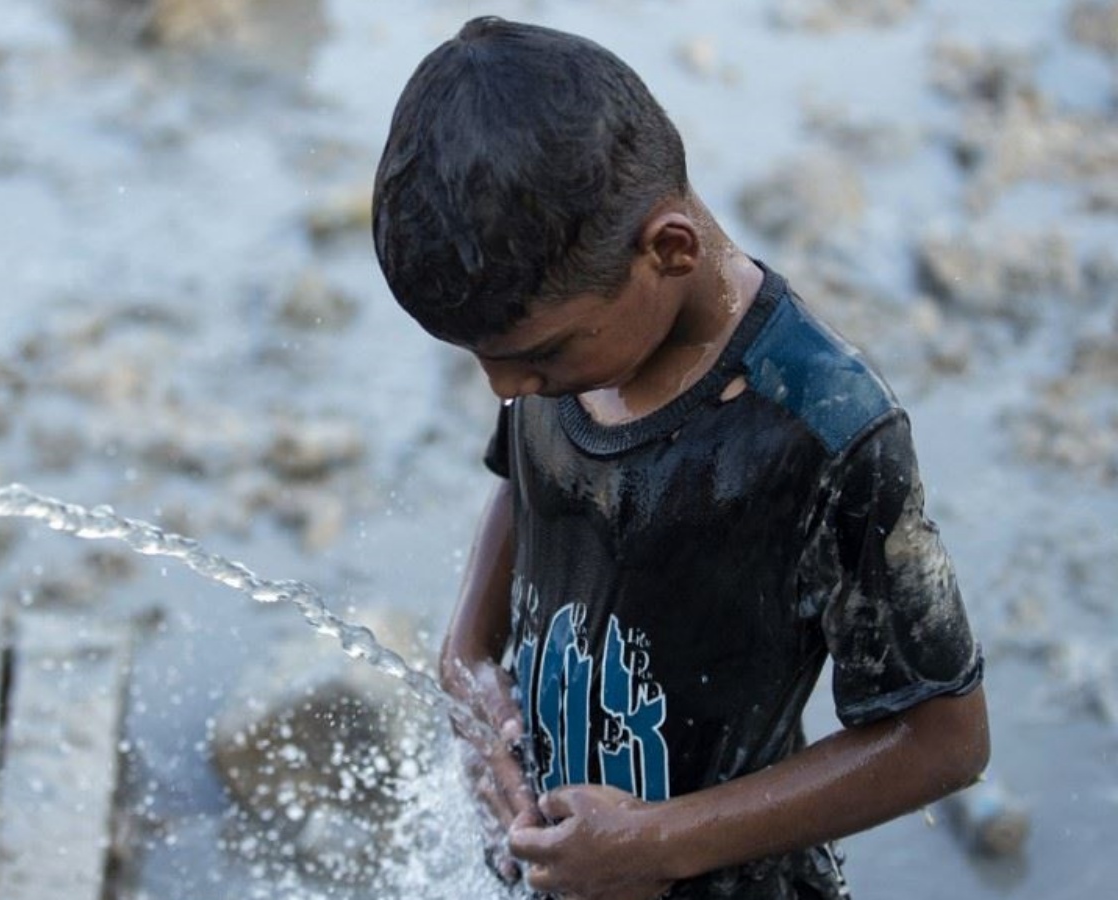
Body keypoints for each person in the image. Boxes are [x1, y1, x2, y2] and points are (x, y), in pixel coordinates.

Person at [370, 17, 989, 900]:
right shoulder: (566, 357)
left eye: (535, 356)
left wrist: (657, 843)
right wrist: (470, 655)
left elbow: (944, 739)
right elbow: (529, 492)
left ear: (669, 250)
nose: (505, 389)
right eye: (478, 359)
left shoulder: (824, 424)